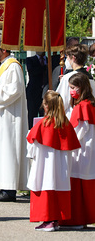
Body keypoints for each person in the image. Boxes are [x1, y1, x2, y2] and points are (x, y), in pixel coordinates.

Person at [26, 91, 81, 232]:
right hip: (62, 167)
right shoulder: (66, 124)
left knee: (45, 187)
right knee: (59, 189)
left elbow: (32, 143)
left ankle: (48, 220)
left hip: (44, 165)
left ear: (46, 106)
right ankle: (56, 220)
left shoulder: (43, 124)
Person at [0, 37, 29, 202]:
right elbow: (5, 87)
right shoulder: (3, 66)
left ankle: (9, 190)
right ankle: (3, 187)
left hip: (10, 118)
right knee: (2, 151)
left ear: (5, 49)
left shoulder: (13, 66)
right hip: (3, 116)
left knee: (8, 151)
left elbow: (14, 90)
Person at [59, 73, 95, 229]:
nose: (71, 91)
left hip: (81, 150)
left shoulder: (83, 106)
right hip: (87, 149)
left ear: (82, 87)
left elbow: (80, 130)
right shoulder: (89, 104)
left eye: (73, 88)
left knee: (77, 184)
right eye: (70, 88)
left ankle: (77, 219)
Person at [56, 44, 95, 119]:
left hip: (73, 117)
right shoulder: (91, 78)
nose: (66, 61)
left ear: (73, 58)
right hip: (89, 117)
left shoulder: (68, 78)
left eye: (67, 57)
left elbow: (61, 103)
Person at [26, 52, 47, 129]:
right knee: (32, 114)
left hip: (44, 92)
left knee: (44, 114)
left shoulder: (48, 60)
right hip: (33, 92)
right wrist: (44, 67)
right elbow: (32, 71)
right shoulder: (30, 60)